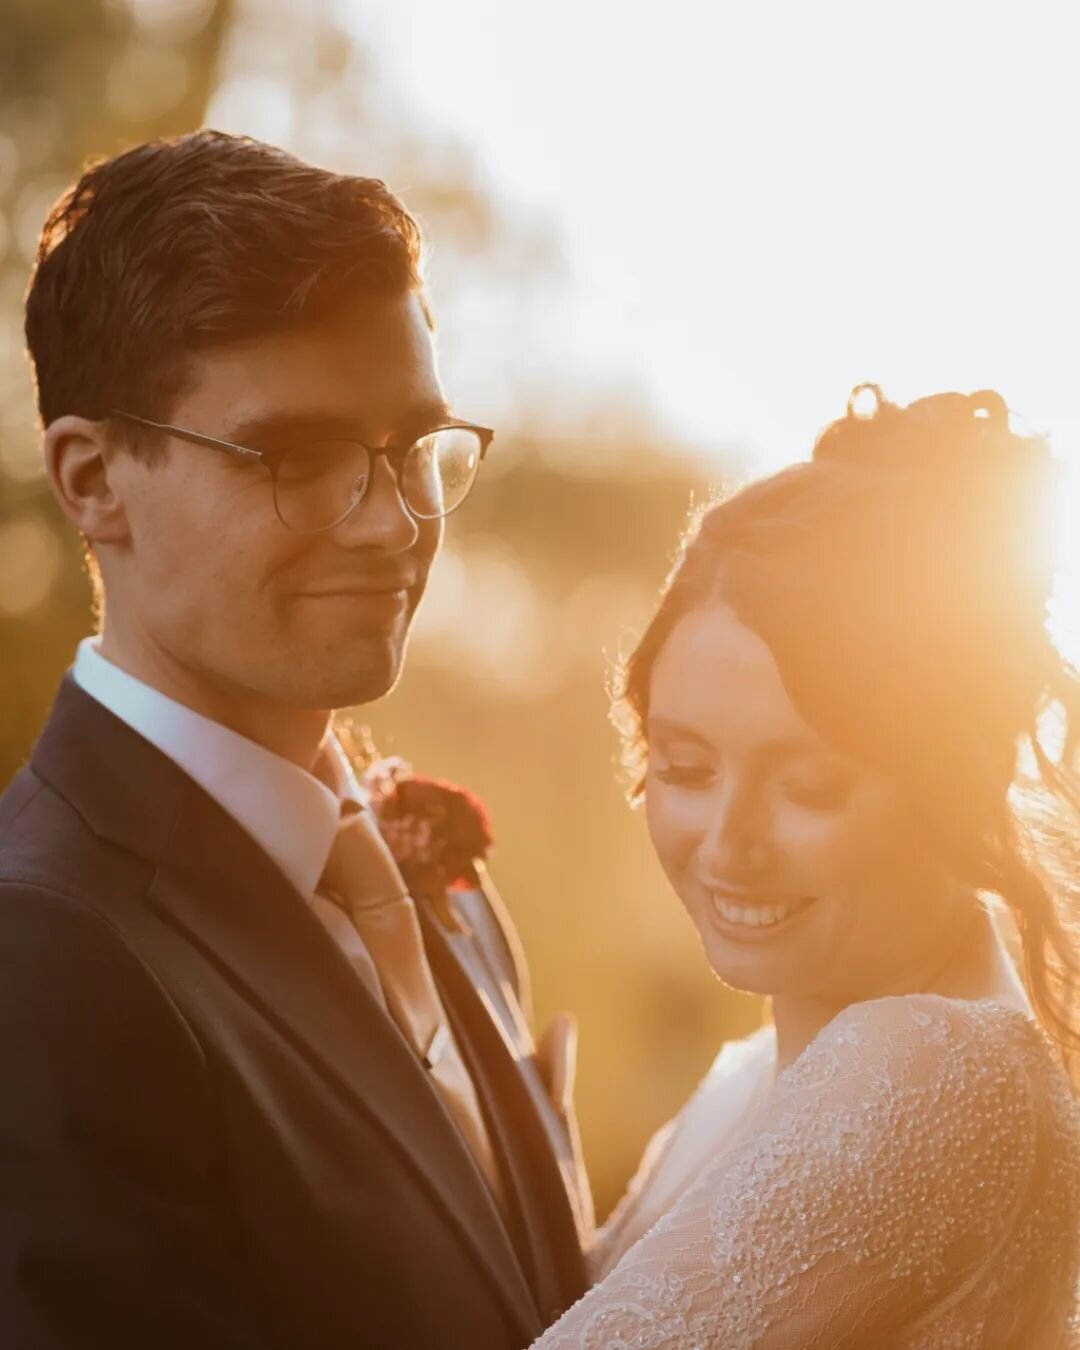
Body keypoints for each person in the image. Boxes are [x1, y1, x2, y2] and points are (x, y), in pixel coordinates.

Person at [0, 130, 592, 1350]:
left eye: (410, 449)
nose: (391, 523)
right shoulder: (44, 958)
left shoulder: (445, 887)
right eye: (301, 457)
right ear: (94, 480)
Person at [534, 386, 1080, 1347]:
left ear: (956, 778)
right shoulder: (753, 1074)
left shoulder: (931, 1078)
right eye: (688, 769)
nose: (730, 841)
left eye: (810, 787)